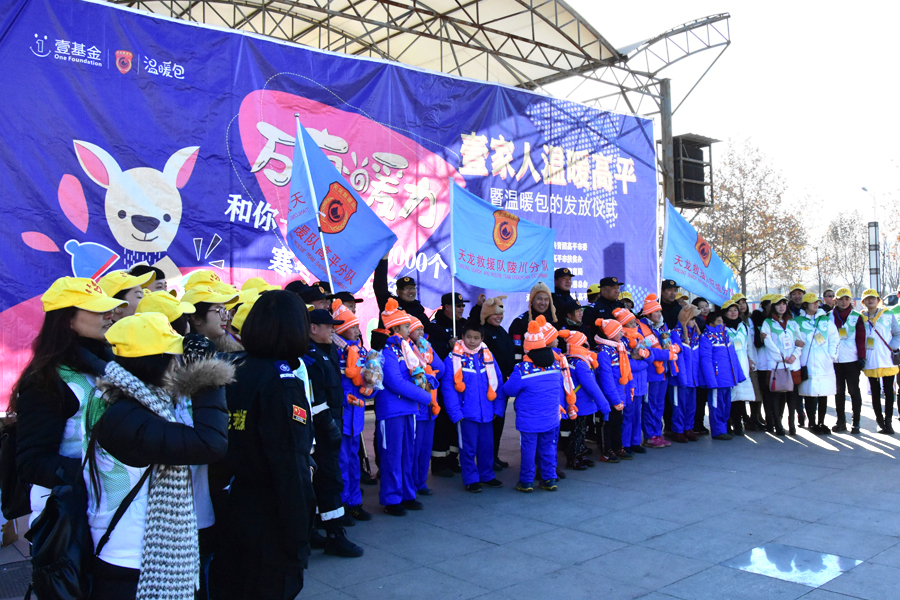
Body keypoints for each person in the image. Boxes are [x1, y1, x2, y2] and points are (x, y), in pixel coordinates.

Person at [83, 312, 229, 599]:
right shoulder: (128, 417)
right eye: (174, 357)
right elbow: (209, 443)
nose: (179, 364)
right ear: (158, 363)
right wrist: (206, 378)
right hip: (132, 563)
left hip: (141, 556)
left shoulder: (139, 403)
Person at [210, 290, 316, 600]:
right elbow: (290, 466)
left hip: (231, 504)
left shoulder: (233, 368)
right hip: (270, 515)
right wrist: (300, 538)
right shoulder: (282, 383)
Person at [11, 278, 125, 528]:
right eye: (98, 310)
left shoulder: (109, 365)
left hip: (113, 514)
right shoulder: (45, 380)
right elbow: (32, 462)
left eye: (109, 308)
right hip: (68, 520)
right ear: (67, 320)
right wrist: (103, 472)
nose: (110, 315)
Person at [376, 300, 434, 515]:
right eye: (406, 326)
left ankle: (407, 494)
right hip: (391, 411)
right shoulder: (387, 351)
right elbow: (395, 382)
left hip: (408, 409)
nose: (410, 329)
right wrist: (425, 396)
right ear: (396, 328)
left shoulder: (406, 348)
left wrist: (429, 381)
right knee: (392, 456)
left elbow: (418, 372)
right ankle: (391, 499)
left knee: (407, 454)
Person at [501, 316, 568, 492]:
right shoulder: (555, 365)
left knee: (529, 451)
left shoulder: (522, 369)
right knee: (548, 449)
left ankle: (526, 482)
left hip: (529, 420)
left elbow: (509, 390)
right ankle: (549, 479)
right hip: (551, 417)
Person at [440, 320, 504, 492]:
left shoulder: (487, 355)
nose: (472, 341)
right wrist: (455, 412)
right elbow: (448, 387)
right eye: (469, 337)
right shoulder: (453, 358)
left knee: (487, 446)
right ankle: (471, 478)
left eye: (476, 338)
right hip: (466, 413)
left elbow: (498, 381)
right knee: (467, 448)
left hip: (487, 413)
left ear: (482, 338)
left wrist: (498, 408)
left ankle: (487, 475)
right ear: (462, 337)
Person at [332, 299, 374, 523]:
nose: (358, 330)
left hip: (356, 415)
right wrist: (344, 398)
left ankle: (355, 502)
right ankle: (343, 504)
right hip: (342, 414)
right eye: (354, 327)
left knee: (353, 460)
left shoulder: (361, 350)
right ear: (342, 329)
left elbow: (368, 378)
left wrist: (372, 383)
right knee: (341, 462)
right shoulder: (336, 352)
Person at [427, 292, 467, 477]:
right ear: (447, 307)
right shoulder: (434, 326)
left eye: (462, 306)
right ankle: (439, 462)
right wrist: (446, 345)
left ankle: (452, 458)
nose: (461, 309)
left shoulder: (464, 325)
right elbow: (428, 351)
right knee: (442, 421)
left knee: (456, 419)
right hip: (442, 381)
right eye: (458, 306)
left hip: (460, 381)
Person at [560, 329, 609, 468]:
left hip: (575, 402)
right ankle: (575, 457)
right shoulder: (581, 363)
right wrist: (604, 405)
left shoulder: (569, 359)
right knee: (579, 431)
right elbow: (591, 386)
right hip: (581, 403)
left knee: (577, 430)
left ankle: (579, 454)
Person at [477, 296, 515, 470]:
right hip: (489, 385)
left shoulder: (501, 331)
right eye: (495, 314)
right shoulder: (483, 332)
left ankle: (494, 455)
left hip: (503, 384)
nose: (499, 317)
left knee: (499, 421)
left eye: (501, 313)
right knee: (490, 423)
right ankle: (487, 459)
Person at [795, 292, 840, 435]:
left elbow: (834, 338)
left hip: (824, 362)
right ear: (805, 304)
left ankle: (821, 422)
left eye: (817, 302)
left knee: (823, 394)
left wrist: (831, 355)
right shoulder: (798, 321)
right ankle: (812, 422)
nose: (816, 304)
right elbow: (794, 339)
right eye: (812, 302)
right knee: (809, 394)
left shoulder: (825, 320)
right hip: (807, 363)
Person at [638, 295, 679, 447]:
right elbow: (648, 351)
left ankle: (657, 433)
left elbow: (671, 344)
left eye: (660, 312)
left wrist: (674, 348)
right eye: (656, 312)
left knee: (659, 405)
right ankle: (650, 435)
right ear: (648, 314)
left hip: (664, 372)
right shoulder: (641, 328)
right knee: (650, 405)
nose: (659, 314)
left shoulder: (662, 327)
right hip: (651, 373)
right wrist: (668, 354)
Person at [408, 316, 443, 496]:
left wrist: (429, 355)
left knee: (425, 448)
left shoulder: (427, 347)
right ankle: (411, 484)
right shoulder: (406, 349)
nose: (421, 332)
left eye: (422, 328)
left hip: (430, 409)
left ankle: (421, 482)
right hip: (416, 408)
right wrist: (427, 376)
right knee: (414, 449)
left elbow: (441, 369)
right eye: (416, 329)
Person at [698, 309, 746, 440]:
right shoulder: (706, 337)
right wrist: (711, 381)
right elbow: (706, 360)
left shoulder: (724, 335)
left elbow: (733, 356)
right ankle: (718, 431)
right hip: (717, 379)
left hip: (728, 379)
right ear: (711, 323)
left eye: (722, 321)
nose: (722, 323)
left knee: (726, 406)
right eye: (719, 321)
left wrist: (739, 375)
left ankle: (723, 428)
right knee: (716, 406)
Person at [859, 289, 900, 434]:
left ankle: (889, 422)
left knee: (889, 391)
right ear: (863, 302)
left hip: (886, 358)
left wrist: (892, 347)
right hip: (871, 359)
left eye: (873, 298)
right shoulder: (861, 317)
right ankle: (880, 421)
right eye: (867, 299)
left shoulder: (888, 314)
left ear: (878, 300)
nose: (870, 301)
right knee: (875, 392)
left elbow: (897, 333)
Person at [613, 308, 653, 455]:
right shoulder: (621, 341)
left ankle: (635, 441)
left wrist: (643, 359)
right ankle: (625, 443)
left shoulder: (639, 337)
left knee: (637, 414)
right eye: (630, 323)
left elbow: (651, 357)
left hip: (641, 383)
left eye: (634, 322)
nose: (634, 325)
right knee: (628, 415)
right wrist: (643, 361)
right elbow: (627, 364)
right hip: (629, 385)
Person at [761, 296, 802, 435]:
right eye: (778, 304)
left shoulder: (792, 322)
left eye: (784, 304)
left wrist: (794, 355)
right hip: (777, 365)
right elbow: (768, 342)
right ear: (773, 306)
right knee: (776, 396)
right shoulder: (768, 323)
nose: (781, 307)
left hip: (792, 364)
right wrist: (782, 357)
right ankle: (778, 424)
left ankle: (792, 424)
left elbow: (800, 341)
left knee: (792, 396)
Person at [594, 318, 630, 461]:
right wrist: (615, 399)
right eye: (619, 331)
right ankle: (607, 451)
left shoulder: (617, 348)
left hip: (618, 394)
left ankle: (617, 447)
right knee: (607, 424)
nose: (622, 333)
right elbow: (606, 380)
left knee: (617, 422)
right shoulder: (604, 353)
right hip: (609, 397)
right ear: (611, 334)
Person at [831, 288, 866, 433]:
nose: (844, 302)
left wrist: (862, 357)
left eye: (846, 299)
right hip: (835, 361)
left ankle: (856, 421)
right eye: (840, 299)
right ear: (836, 301)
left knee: (854, 391)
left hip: (852, 360)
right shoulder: (828, 316)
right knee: (839, 392)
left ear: (850, 300)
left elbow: (861, 338)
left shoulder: (856, 316)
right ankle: (841, 421)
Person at [722, 299, 756, 435]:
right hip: (728, 366)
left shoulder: (744, 326)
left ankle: (738, 424)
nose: (733, 312)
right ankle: (727, 424)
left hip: (742, 365)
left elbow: (749, 345)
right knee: (729, 397)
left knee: (740, 398)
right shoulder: (722, 327)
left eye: (735, 310)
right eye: (730, 310)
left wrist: (751, 359)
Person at [669, 305, 701, 443]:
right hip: (680, 379)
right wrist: (681, 378)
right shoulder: (675, 334)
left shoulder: (695, 334)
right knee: (679, 405)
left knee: (691, 405)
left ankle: (688, 428)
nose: (694, 322)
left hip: (692, 378)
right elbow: (678, 358)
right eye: (692, 319)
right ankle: (678, 430)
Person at [373, 255, 430, 325]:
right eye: (406, 288)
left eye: (413, 288)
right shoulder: (390, 304)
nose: (411, 291)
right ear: (398, 292)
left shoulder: (418, 310)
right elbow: (380, 285)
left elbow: (430, 329)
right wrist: (383, 260)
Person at [509, 281, 558, 361]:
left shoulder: (552, 320)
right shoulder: (520, 322)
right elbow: (516, 351)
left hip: (550, 364)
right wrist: (520, 365)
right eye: (539, 299)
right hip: (529, 365)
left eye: (546, 299)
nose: (543, 303)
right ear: (532, 300)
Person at [182, 285, 240, 351]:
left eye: (225, 311)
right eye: (219, 311)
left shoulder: (230, 349)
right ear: (196, 319)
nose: (225, 318)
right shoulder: (181, 353)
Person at [581, 276, 624, 345]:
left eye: (617, 288)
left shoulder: (621, 305)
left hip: (622, 344)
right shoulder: (593, 309)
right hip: (602, 345)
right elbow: (587, 330)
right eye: (613, 288)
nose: (617, 291)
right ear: (603, 290)